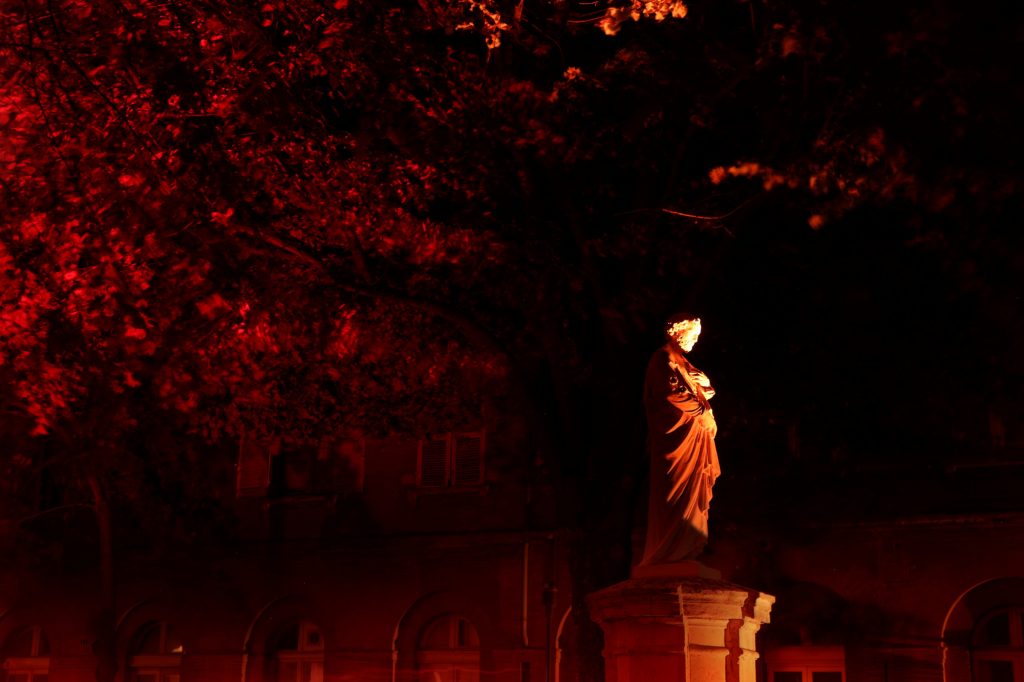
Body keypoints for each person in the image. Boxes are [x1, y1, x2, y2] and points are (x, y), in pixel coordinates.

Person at [638, 313, 721, 565]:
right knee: (675, 494)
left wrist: (706, 387)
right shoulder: (662, 359)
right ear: (677, 332)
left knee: (692, 496)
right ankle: (668, 552)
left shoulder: (684, 364)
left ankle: (688, 549)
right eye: (693, 335)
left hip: (694, 439)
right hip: (677, 442)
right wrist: (702, 410)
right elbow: (669, 394)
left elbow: (703, 390)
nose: (695, 341)